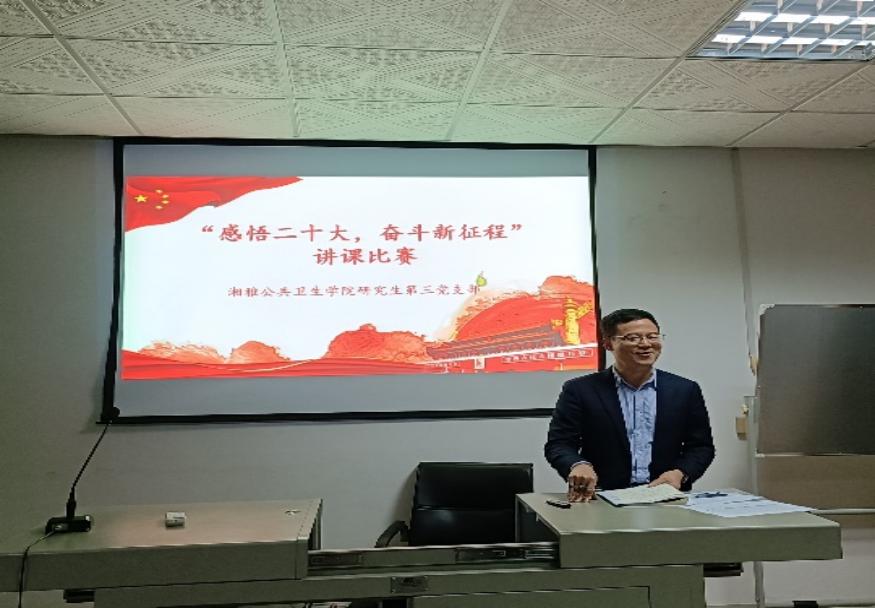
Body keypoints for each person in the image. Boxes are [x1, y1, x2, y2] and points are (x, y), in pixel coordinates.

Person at [544, 308, 714, 502]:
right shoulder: (580, 390)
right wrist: (577, 465)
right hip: (603, 496)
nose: (646, 344)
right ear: (608, 343)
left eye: (652, 336)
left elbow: (701, 447)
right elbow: (559, 444)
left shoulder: (685, 390)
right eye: (633, 338)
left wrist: (680, 473)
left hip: (665, 495)